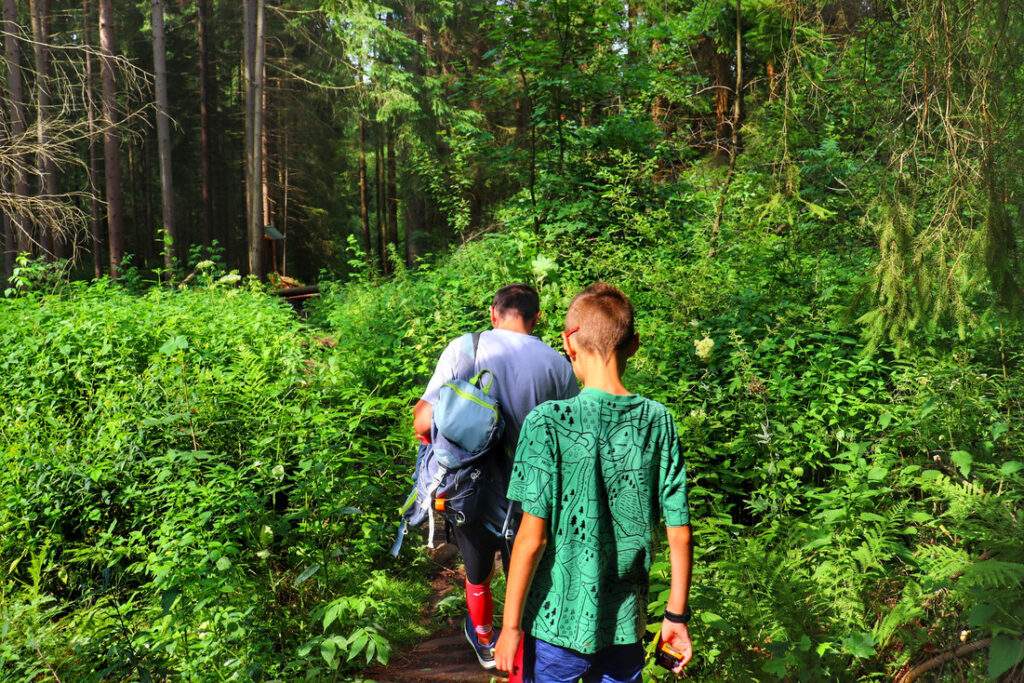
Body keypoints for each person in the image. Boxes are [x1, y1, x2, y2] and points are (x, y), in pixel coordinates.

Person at [494, 283, 694, 682]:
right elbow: (680, 534)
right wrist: (675, 617)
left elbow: (532, 538)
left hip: (554, 627)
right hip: (624, 624)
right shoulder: (659, 421)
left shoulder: (547, 423)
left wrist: (511, 627)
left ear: (569, 341)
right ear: (634, 345)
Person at [413, 283, 578, 670]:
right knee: (529, 570)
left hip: (469, 488)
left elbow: (422, 421)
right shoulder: (557, 365)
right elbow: (572, 439)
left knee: (477, 571)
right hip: (533, 493)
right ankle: (525, 650)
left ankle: (485, 639)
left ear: (493, 313)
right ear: (537, 319)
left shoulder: (465, 349)